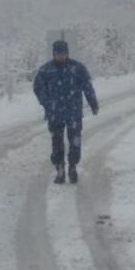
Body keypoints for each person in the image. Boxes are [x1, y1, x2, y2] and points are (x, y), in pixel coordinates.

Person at [33, 40, 99, 184]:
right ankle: (60, 169)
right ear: (54, 53)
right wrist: (47, 103)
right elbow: (38, 88)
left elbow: (87, 86)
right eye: (58, 53)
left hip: (73, 112)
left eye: (63, 53)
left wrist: (93, 102)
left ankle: (72, 167)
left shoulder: (77, 68)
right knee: (56, 143)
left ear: (67, 53)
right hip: (54, 113)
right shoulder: (45, 70)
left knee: (75, 141)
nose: (61, 56)